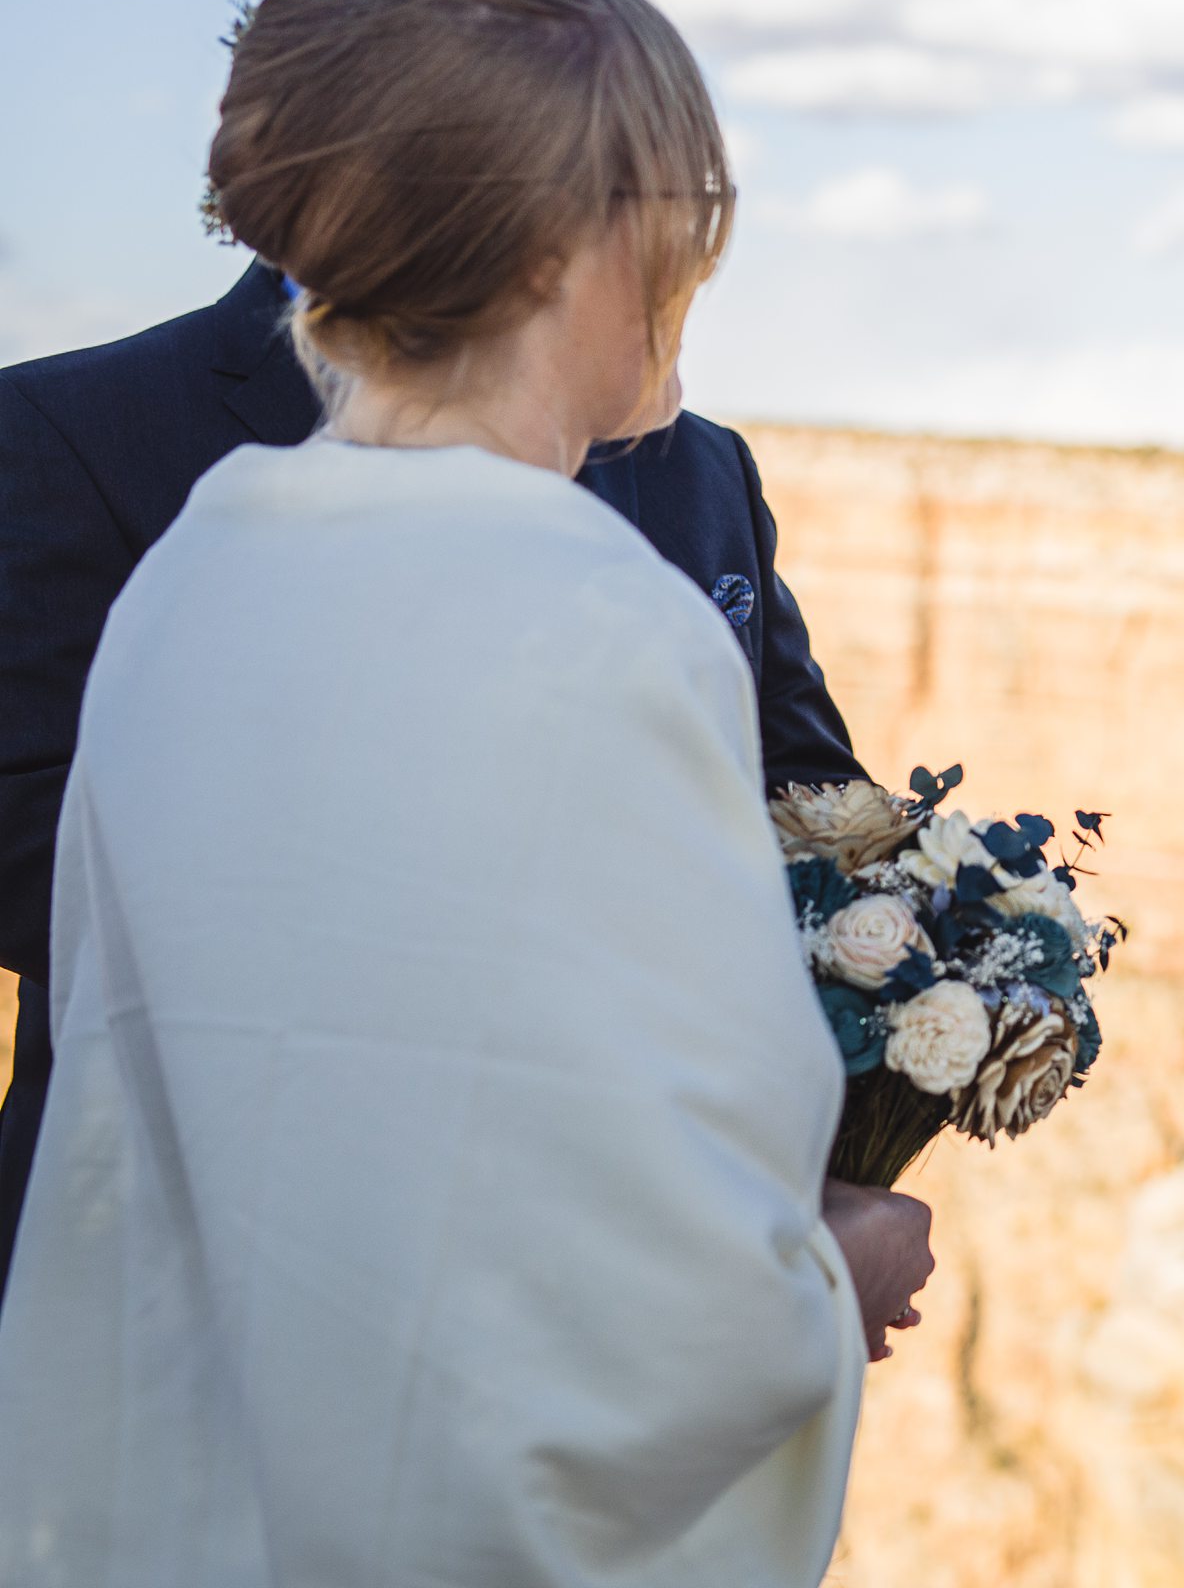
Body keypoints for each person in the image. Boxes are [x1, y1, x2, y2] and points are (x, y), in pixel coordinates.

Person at [0, 0, 930, 1585]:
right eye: (678, 219)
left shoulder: (194, 578)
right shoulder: (599, 623)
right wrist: (831, 1274)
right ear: (557, 253)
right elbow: (666, 1238)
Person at [0, 243, 860, 1304]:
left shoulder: (699, 462)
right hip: (187, 1253)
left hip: (607, 1265)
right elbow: (28, 839)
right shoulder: (74, 425)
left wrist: (827, 1165)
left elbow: (807, 806)